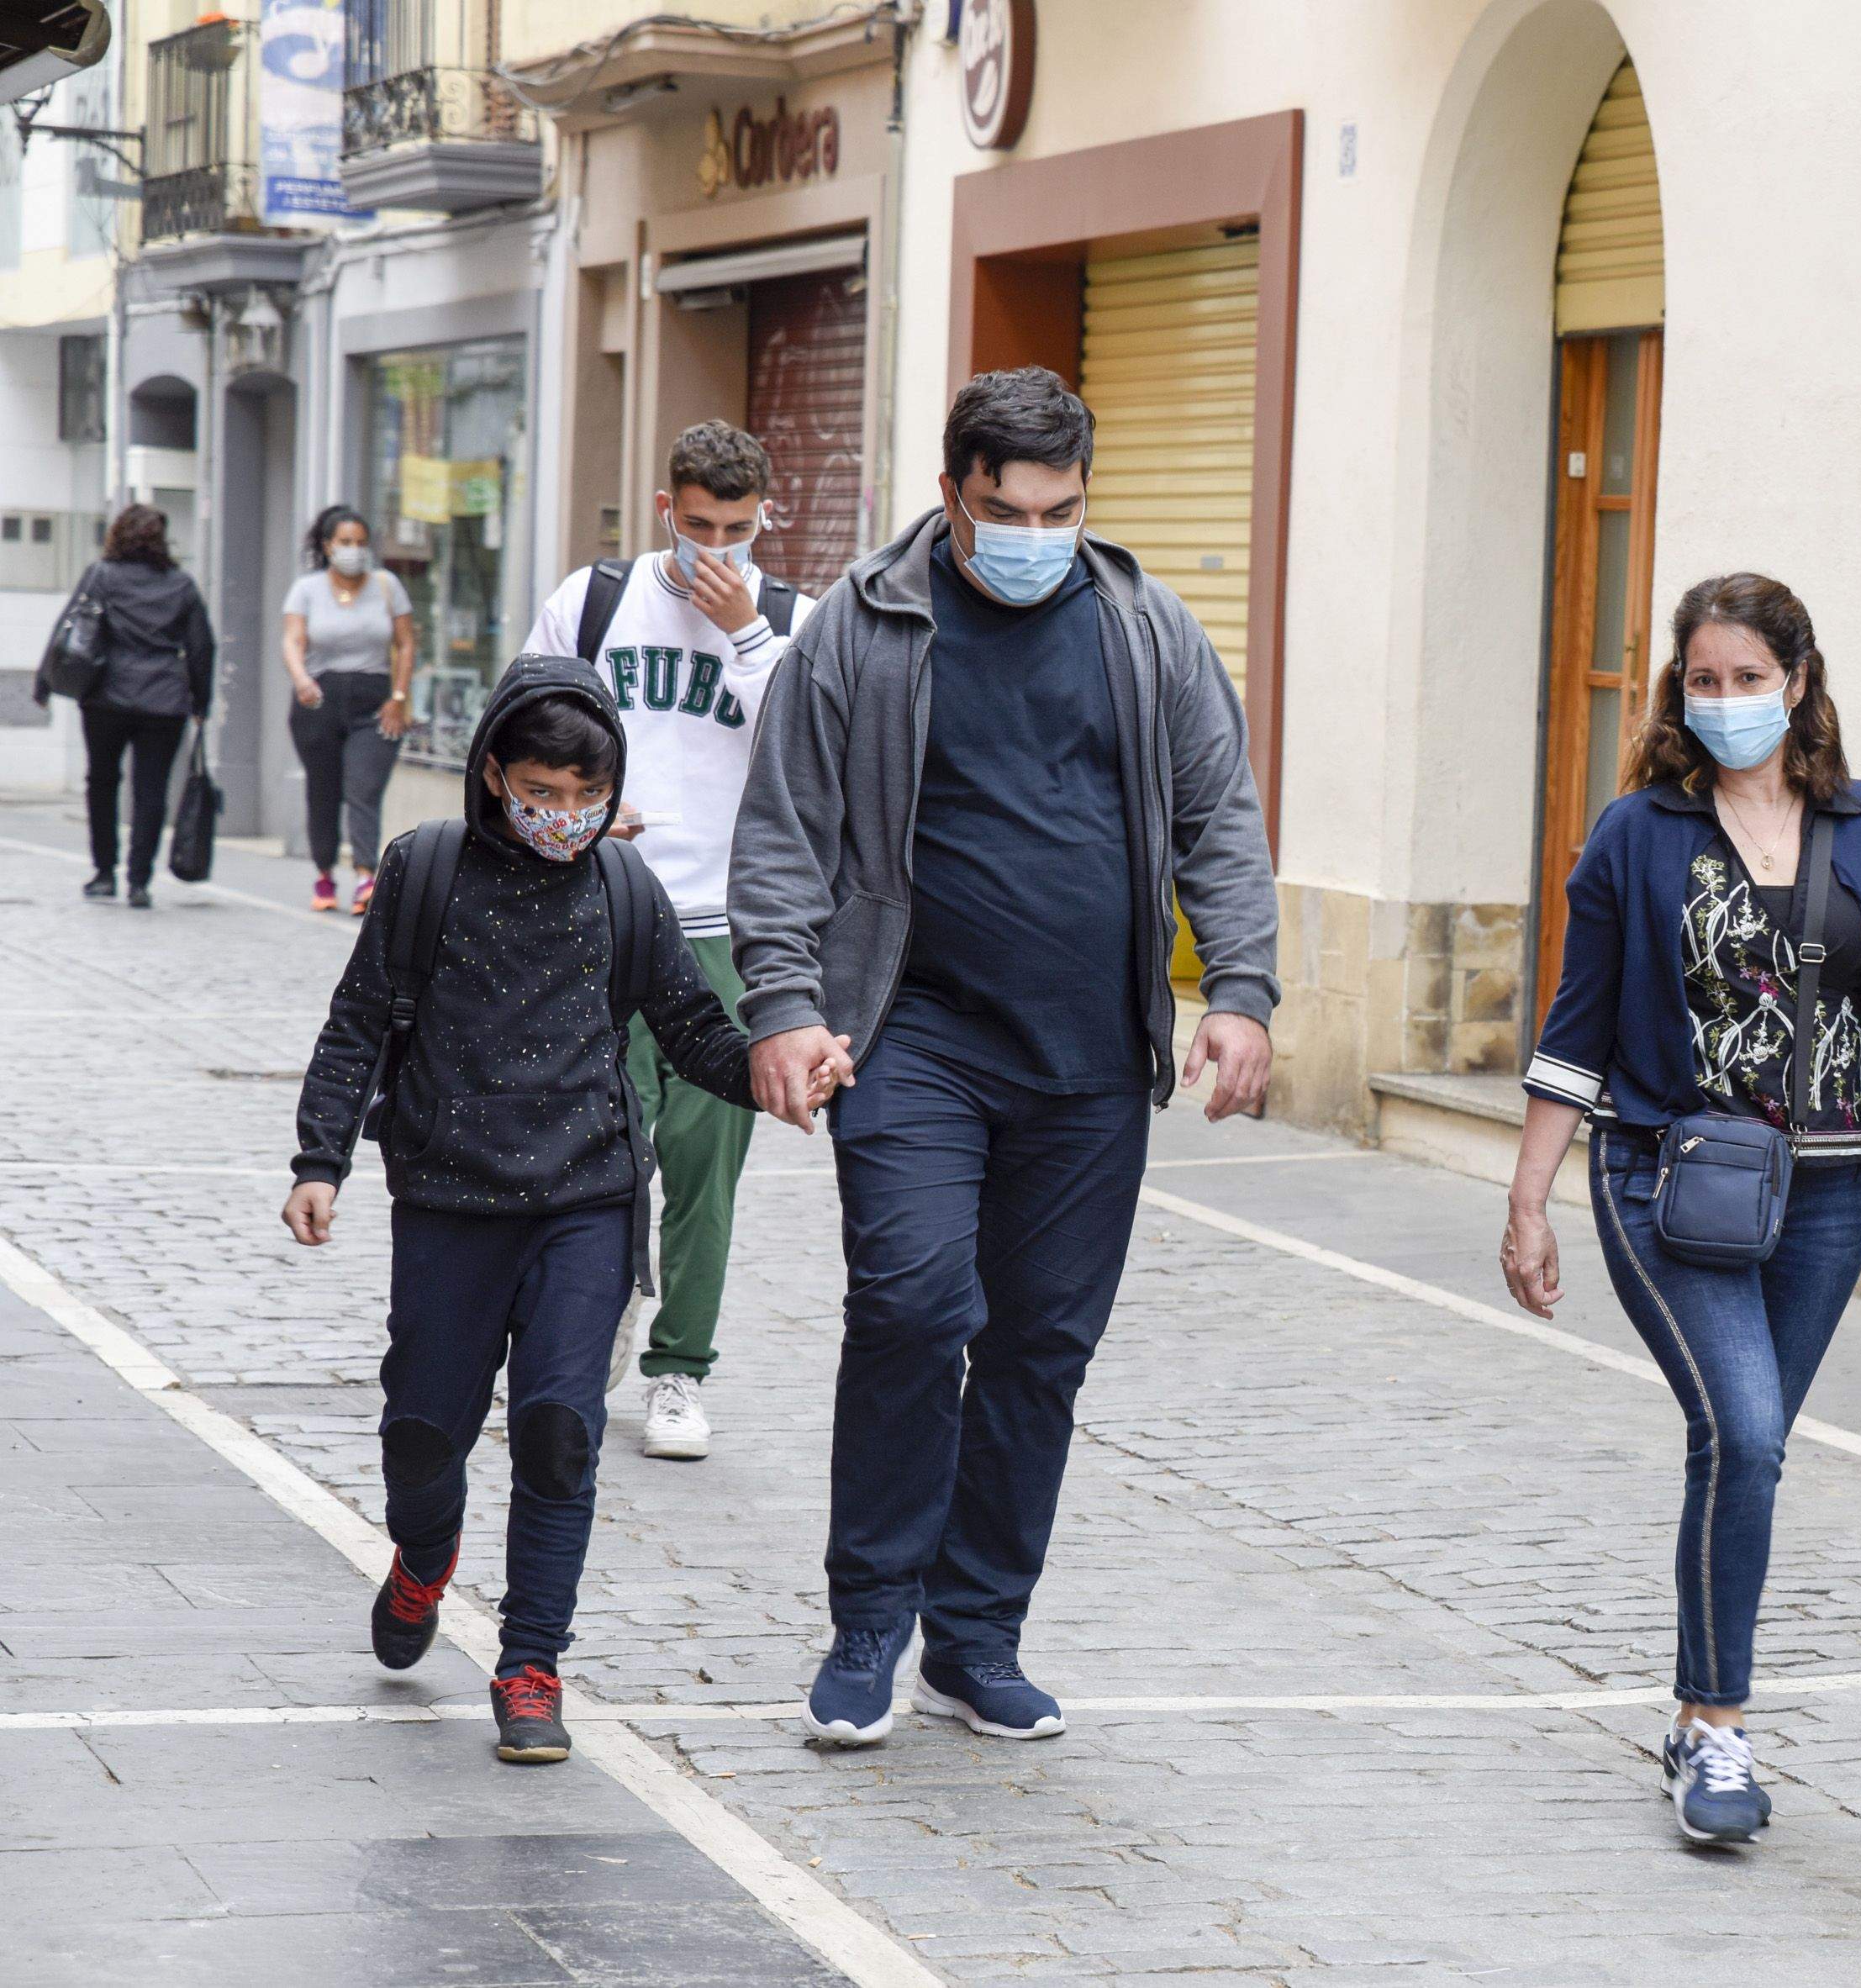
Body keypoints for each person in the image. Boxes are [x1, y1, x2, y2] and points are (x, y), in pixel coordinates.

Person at [729, 366, 1280, 1749]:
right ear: (950, 493)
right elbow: (784, 832)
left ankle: (975, 1638)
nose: (1032, 531)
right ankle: (869, 1621)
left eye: (1059, 507)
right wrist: (785, 1003)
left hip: (1090, 1061)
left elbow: (1217, 812)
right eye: (1003, 508)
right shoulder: (863, 630)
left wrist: (1242, 990)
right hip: (911, 1043)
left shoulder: (1146, 629)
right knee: (915, 1307)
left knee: (1041, 1349)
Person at [279, 656, 825, 1764]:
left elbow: (693, 1031)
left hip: (586, 1201)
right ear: (493, 773)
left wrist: (777, 1069)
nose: (564, 817)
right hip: (447, 1200)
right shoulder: (425, 870)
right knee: (423, 1434)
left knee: (559, 1429)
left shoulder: (626, 890)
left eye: (587, 796)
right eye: (542, 791)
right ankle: (425, 1555)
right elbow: (356, 1028)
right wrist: (318, 1159)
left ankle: (531, 1665)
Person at [1500, 573, 1861, 1848]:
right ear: (1677, 689)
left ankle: (1694, 1711)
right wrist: (1527, 1198)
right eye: (1700, 682)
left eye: (1746, 680)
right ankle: (1714, 1730)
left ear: (1798, 684)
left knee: (1741, 1454)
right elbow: (1575, 1029)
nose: (1722, 703)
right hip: (1663, 1177)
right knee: (1748, 1434)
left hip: (1824, 1195)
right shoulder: (1636, 834)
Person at [529, 420, 816, 1462]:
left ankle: (681, 1370)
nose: (716, 548)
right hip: (599, 916)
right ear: (667, 511)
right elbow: (521, 731)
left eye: (738, 529)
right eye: (699, 526)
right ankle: (590, 1326)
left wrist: (746, 632)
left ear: (764, 519)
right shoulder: (595, 600)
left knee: (705, 1166)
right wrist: (581, 815)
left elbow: (817, 753)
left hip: (728, 939)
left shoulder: (790, 621)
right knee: (596, 1152)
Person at [32, 504, 214, 909]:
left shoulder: (101, 576)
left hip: (106, 696)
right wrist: (201, 701)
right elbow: (201, 647)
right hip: (164, 701)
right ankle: (139, 880)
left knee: (102, 781)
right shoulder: (181, 585)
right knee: (150, 792)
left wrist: (45, 680)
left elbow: (70, 625)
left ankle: (103, 872)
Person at [281, 504, 415, 915]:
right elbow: (292, 640)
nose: (354, 550)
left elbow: (406, 644)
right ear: (327, 546)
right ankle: (324, 874)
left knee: (363, 788)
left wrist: (399, 696)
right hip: (319, 699)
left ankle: (365, 875)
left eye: (360, 543)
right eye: (345, 543)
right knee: (323, 790)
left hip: (375, 702)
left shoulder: (387, 585)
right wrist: (301, 678)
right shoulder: (307, 589)